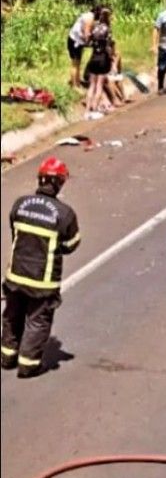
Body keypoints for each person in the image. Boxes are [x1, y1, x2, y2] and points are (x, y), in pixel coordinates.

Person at [1, 157, 81, 379]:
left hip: (15, 275)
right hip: (42, 281)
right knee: (38, 320)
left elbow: (14, 231)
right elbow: (71, 244)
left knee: (12, 315)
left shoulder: (20, 204)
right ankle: (29, 364)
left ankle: (7, 357)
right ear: (60, 182)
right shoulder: (64, 214)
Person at [84, 7, 114, 116]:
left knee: (91, 86)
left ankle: (87, 110)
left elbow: (88, 41)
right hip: (103, 59)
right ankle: (95, 109)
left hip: (93, 58)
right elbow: (109, 46)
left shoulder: (94, 28)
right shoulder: (108, 29)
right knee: (99, 86)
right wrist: (111, 59)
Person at [67, 6, 99, 88]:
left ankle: (77, 82)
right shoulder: (89, 19)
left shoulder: (89, 15)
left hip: (75, 40)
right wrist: (91, 43)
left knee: (77, 63)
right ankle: (75, 85)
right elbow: (86, 35)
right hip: (75, 41)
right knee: (75, 64)